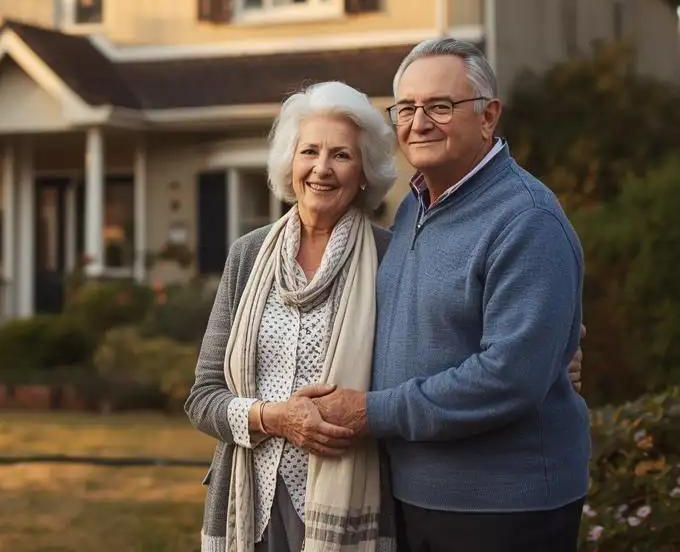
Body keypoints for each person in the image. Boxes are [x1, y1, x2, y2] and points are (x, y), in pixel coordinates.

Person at [310, 37, 592, 552]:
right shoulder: (414, 206)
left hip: (504, 507)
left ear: (489, 116)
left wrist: (372, 411)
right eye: (407, 108)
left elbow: (508, 377)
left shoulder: (525, 218)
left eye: (440, 106)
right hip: (416, 494)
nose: (419, 122)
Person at [184, 81, 400, 552]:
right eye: (310, 152)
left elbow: (424, 363)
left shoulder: (392, 258)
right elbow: (203, 398)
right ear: (290, 162)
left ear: (364, 171)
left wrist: (555, 356)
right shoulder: (247, 254)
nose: (321, 168)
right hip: (249, 503)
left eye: (341, 155)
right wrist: (275, 418)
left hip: (348, 504)